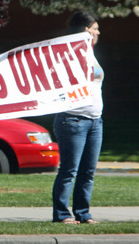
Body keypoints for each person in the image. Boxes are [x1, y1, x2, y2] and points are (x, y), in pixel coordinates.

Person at [52, 11, 103, 224]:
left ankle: (83, 213)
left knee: (88, 172)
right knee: (69, 170)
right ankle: (62, 214)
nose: (98, 32)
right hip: (72, 120)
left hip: (95, 121)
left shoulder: (91, 54)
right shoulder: (67, 55)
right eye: (95, 28)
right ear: (86, 31)